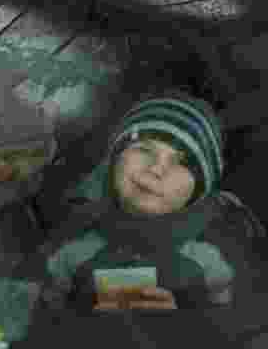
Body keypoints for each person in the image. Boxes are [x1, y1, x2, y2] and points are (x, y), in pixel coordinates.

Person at [19, 91, 236, 311]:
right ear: (114, 158)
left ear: (200, 188)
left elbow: (229, 320)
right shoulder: (72, 238)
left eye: (183, 162)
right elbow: (23, 305)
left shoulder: (215, 255)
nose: (157, 169)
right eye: (144, 149)